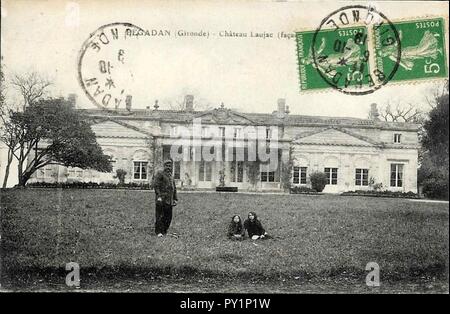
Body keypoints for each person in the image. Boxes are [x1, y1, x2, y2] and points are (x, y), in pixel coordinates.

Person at [153, 159, 178, 237]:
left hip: (169, 200)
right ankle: (158, 232)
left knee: (168, 216)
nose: (168, 167)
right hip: (161, 199)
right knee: (160, 215)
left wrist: (175, 199)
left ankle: (164, 230)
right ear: (164, 166)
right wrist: (159, 196)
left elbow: (174, 188)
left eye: (170, 166)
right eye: (166, 165)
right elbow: (156, 186)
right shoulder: (160, 174)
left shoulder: (171, 176)